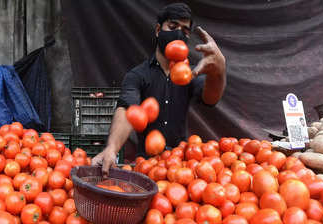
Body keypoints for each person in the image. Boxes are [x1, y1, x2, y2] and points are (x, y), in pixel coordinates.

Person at [92, 3, 226, 176]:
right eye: (172, 26)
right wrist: (112, 148)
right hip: (146, 166)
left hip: (180, 165)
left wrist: (219, 71)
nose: (178, 33)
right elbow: (127, 109)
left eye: (185, 31)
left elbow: (210, 98)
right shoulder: (137, 75)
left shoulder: (190, 74)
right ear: (158, 30)